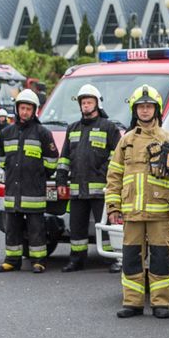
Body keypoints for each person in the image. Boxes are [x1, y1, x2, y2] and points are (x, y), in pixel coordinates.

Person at [104, 84, 169, 315]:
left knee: (160, 259)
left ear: (156, 109)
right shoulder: (126, 141)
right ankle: (133, 302)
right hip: (131, 212)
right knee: (131, 259)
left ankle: (160, 303)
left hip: (159, 212)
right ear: (134, 110)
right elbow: (114, 175)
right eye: (141, 107)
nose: (145, 111)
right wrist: (113, 206)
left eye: (149, 107)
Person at [55, 84, 120, 272]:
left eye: (89, 102)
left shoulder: (109, 128)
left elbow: (116, 157)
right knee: (76, 227)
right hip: (77, 189)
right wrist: (61, 181)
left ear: (97, 104)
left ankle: (112, 259)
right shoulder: (73, 128)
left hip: (101, 189)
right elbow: (64, 158)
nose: (85, 106)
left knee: (106, 226)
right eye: (83, 102)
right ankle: (76, 259)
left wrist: (104, 174)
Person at [0, 89, 57, 273]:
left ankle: (38, 260)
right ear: (17, 109)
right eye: (22, 108)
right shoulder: (6, 133)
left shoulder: (42, 133)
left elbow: (52, 160)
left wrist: (39, 175)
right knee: (12, 227)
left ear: (34, 110)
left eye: (28, 109)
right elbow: (3, 159)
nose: (24, 112)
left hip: (34, 191)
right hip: (13, 191)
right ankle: (12, 260)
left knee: (36, 228)